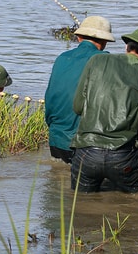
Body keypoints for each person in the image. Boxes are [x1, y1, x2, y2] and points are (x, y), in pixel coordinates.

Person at [71, 27, 138, 193]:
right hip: (123, 158)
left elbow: (78, 107)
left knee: (81, 207)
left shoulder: (96, 61)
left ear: (127, 47)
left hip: (85, 154)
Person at [44, 16, 115, 164]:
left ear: (78, 38)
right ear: (104, 42)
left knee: (58, 180)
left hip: (56, 138)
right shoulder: (105, 60)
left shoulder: (62, 58)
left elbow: (50, 101)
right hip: (83, 144)